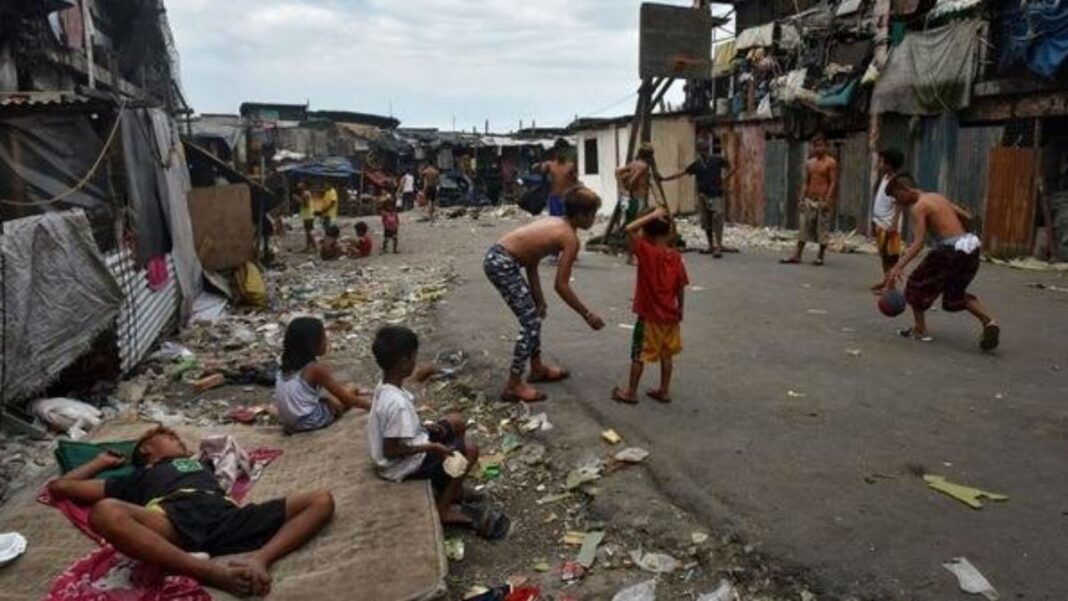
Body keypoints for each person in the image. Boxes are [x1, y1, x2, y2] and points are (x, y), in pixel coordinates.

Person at [47, 426, 335, 597]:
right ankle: (209, 572)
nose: (179, 439)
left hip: (225, 515)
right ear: (147, 448)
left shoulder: (200, 462)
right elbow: (61, 486)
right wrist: (100, 461)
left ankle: (260, 560)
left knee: (320, 499)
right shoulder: (138, 477)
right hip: (171, 518)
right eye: (169, 435)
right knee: (105, 511)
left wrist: (260, 559)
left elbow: (231, 458)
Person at [368, 326, 507, 538]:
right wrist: (432, 446)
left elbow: (397, 429)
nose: (416, 362)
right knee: (469, 450)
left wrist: (424, 428)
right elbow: (391, 450)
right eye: (414, 357)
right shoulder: (396, 403)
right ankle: (443, 508)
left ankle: (452, 486)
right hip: (401, 465)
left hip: (410, 444)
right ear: (404, 363)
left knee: (456, 422)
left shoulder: (386, 386)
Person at [484, 186, 606, 403]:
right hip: (502, 263)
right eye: (593, 215)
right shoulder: (569, 239)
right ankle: (513, 384)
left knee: (534, 314)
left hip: (498, 258)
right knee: (530, 321)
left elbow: (532, 260)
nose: (594, 219)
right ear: (581, 215)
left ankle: (537, 367)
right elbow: (561, 285)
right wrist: (587, 315)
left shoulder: (555, 222)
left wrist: (538, 298)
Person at [882, 174, 1000, 350]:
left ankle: (920, 330)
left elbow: (919, 242)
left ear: (904, 190)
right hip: (970, 247)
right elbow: (967, 216)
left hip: (950, 250)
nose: (897, 201)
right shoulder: (937, 197)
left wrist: (898, 266)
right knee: (956, 293)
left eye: (895, 196)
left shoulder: (919, 207)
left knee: (916, 284)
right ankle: (989, 321)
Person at [611, 208, 689, 405]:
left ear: (647, 233)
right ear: (669, 232)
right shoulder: (675, 256)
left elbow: (628, 229)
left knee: (638, 354)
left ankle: (631, 392)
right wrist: (680, 309)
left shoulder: (647, 253)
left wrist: (651, 216)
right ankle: (664, 390)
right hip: (670, 316)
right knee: (667, 354)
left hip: (649, 316)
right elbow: (680, 286)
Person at [275, 317, 370, 433]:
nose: (327, 341)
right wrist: (371, 406)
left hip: (288, 424)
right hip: (309, 421)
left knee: (335, 395)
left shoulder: (284, 367)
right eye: (324, 337)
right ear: (313, 343)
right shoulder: (315, 369)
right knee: (351, 389)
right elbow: (345, 398)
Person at [662, 140, 736, 257]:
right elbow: (683, 172)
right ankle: (711, 246)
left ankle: (718, 247)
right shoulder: (697, 164)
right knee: (706, 221)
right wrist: (666, 178)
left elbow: (731, 167)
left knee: (717, 218)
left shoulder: (716, 160)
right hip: (703, 195)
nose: (704, 152)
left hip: (716, 194)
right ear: (699, 151)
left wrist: (724, 179)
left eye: (705, 150)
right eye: (702, 150)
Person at [782, 134, 838, 266]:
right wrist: (801, 198)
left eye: (821, 145)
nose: (818, 149)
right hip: (809, 199)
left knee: (822, 230)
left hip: (822, 200)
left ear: (826, 146)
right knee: (803, 228)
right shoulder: (810, 163)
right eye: (816, 146)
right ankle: (797, 255)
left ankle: (820, 256)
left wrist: (827, 200)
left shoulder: (830, 162)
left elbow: (833, 182)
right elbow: (806, 182)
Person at [870, 149, 905, 292]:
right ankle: (886, 280)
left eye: (881, 162)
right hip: (880, 222)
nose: (879, 164)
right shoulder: (884, 178)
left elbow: (899, 203)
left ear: (889, 165)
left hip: (889, 224)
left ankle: (891, 285)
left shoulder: (895, 181)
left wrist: (894, 223)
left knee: (892, 257)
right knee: (883, 254)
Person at [537, 139, 578, 218]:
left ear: (566, 151)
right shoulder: (550, 165)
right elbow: (542, 174)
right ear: (555, 151)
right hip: (554, 198)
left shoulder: (570, 166)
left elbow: (574, 182)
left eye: (563, 150)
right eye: (559, 150)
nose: (561, 152)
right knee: (554, 222)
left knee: (566, 221)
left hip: (566, 199)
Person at [296, 182, 316, 253]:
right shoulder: (306, 193)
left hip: (308, 215)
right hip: (307, 215)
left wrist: (298, 200)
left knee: (309, 232)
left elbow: (306, 205)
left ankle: (314, 247)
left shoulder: (305, 194)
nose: (299, 185)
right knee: (308, 232)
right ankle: (308, 247)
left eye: (301, 184)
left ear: (304, 186)